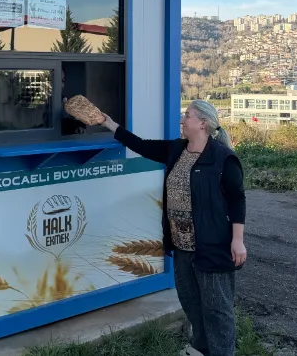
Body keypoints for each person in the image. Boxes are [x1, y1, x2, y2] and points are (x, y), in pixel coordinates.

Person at [96, 100, 247, 356]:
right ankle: (201, 349)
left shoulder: (223, 158)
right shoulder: (176, 149)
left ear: (203, 123)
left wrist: (238, 240)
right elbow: (141, 145)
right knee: (191, 303)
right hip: (182, 246)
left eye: (187, 116)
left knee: (217, 309)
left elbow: (237, 199)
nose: (181, 120)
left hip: (212, 246)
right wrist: (109, 124)